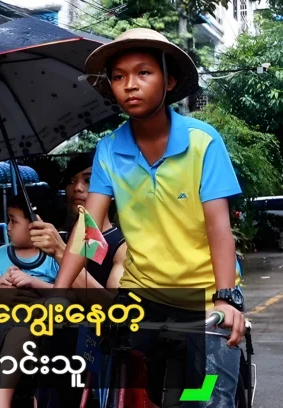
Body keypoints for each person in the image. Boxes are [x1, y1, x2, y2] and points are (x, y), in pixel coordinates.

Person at [52, 28, 246, 408]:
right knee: (115, 384)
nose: (130, 85)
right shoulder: (109, 149)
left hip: (205, 294)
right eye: (119, 76)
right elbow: (89, 230)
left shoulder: (202, 141)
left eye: (143, 73)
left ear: (169, 80)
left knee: (205, 398)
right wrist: (58, 292)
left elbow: (219, 228)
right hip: (141, 292)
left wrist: (225, 299)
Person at [0, 194, 61, 408]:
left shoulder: (52, 258)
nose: (8, 227)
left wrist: (33, 282)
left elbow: (65, 293)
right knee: (20, 335)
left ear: (36, 225)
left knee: (37, 333)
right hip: (3, 322)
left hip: (40, 324)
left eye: (14, 220)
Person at [58, 152, 127, 289]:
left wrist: (59, 252)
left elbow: (114, 306)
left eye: (88, 180)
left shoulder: (121, 247)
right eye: (71, 181)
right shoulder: (61, 236)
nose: (77, 188)